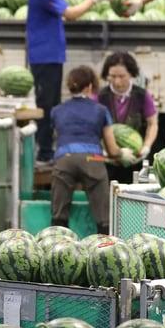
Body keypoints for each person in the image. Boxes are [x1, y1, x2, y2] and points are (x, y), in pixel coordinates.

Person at [27, 0, 112, 165]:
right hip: (45, 57)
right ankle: (44, 154)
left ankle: (47, 150)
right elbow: (71, 14)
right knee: (46, 105)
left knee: (51, 102)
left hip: (51, 55)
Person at [50, 65, 123, 237]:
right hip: (93, 159)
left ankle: (55, 247)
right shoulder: (101, 111)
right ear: (90, 86)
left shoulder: (57, 110)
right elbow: (112, 149)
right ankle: (105, 246)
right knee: (104, 216)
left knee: (59, 215)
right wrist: (122, 154)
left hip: (64, 159)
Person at [98, 51, 158, 185]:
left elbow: (152, 124)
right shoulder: (101, 97)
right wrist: (103, 150)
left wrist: (146, 146)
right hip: (108, 160)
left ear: (131, 74)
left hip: (134, 160)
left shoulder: (142, 95)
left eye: (121, 76)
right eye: (112, 76)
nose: (117, 81)